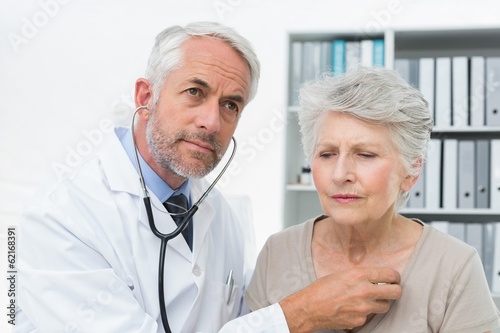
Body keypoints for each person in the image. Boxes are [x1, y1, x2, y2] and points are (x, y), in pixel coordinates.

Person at [15, 22, 401, 333]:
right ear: (145, 96)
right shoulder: (59, 220)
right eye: (194, 92)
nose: (211, 122)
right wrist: (296, 317)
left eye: (230, 105)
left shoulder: (217, 211)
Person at [246, 66, 500, 332]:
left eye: (365, 155)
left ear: (410, 172)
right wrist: (305, 313)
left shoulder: (454, 267)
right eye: (327, 154)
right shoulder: (277, 253)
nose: (340, 174)